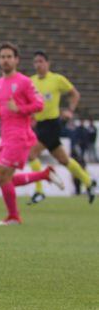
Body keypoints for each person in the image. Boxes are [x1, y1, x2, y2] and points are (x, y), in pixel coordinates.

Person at [0, 42, 64, 226]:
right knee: (4, 178)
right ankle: (43, 175)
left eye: (9, 57)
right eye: (2, 57)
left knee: (2, 176)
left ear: (16, 60)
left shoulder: (25, 82)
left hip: (20, 135)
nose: (6, 60)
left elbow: (39, 104)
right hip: (6, 136)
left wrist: (19, 108)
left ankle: (14, 216)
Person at [26, 51, 95, 205]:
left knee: (31, 153)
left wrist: (70, 110)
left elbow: (75, 94)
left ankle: (39, 191)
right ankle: (89, 182)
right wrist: (30, 116)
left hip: (52, 124)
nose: (38, 64)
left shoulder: (57, 79)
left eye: (41, 61)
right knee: (63, 159)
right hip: (40, 125)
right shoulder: (31, 81)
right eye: (36, 62)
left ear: (48, 63)